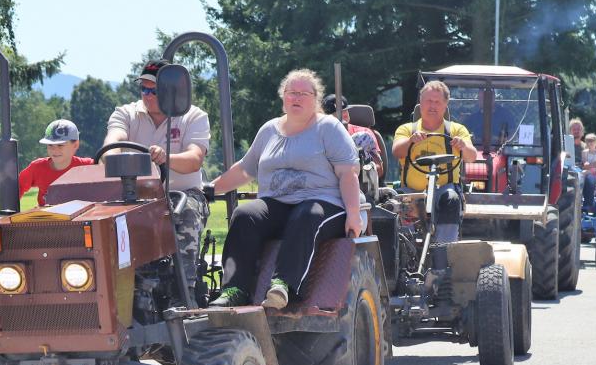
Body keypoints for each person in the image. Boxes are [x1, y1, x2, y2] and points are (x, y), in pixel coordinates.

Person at [208, 69, 362, 309]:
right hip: (278, 203)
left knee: (305, 214)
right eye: (291, 92)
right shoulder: (269, 130)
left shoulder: (329, 128)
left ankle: (283, 285)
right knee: (245, 215)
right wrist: (209, 189)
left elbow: (348, 173)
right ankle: (234, 289)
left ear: (315, 99)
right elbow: (245, 169)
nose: (296, 98)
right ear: (283, 97)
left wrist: (353, 214)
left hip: (323, 203)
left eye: (303, 93)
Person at [103, 59, 211, 286]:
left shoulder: (193, 117)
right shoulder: (126, 114)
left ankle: (185, 289)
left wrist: (166, 157)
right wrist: (112, 155)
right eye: (144, 89)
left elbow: (194, 160)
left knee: (185, 211)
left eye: (154, 90)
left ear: (171, 92)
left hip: (182, 193)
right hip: (135, 196)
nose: (147, 95)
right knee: (106, 222)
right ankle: (119, 290)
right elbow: (112, 142)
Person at [391, 80, 478, 244]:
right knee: (398, 201)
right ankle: (404, 246)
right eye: (428, 101)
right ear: (420, 102)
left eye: (437, 102)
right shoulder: (407, 129)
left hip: (443, 190)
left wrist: (463, 146)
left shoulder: (456, 130)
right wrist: (410, 141)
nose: (432, 106)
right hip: (412, 192)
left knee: (452, 199)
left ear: (445, 105)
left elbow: (471, 157)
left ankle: (444, 249)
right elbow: (397, 151)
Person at [17, 119, 94, 207]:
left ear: (75, 145)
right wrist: (10, 211)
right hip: (47, 215)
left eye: (60, 145)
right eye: (50, 145)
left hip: (80, 215)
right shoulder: (37, 167)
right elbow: (18, 187)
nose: (54, 150)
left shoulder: (88, 167)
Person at [323, 93, 385, 178]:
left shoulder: (365, 134)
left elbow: (379, 168)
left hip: (361, 181)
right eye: (338, 112)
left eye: (345, 110)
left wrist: (365, 168)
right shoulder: (321, 137)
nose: (344, 113)